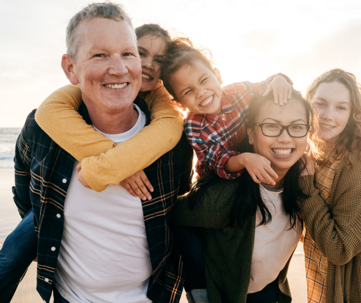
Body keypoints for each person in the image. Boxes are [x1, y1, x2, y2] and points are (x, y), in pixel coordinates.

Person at [9, 3, 193, 303]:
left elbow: (181, 206)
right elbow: (27, 195)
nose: (119, 69)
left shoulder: (174, 140)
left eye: (128, 54)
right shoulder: (43, 128)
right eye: (100, 54)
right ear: (71, 68)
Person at [170, 89, 315, 303]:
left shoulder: (305, 181)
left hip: (271, 292)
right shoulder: (227, 196)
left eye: (296, 127)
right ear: (250, 134)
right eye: (271, 126)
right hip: (232, 296)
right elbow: (176, 216)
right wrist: (201, 288)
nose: (285, 138)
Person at [299, 69, 361, 303]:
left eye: (341, 107)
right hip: (319, 281)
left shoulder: (354, 164)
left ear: (352, 113)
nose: (327, 115)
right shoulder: (314, 154)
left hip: (347, 291)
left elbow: (340, 249)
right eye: (320, 104)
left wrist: (305, 187)